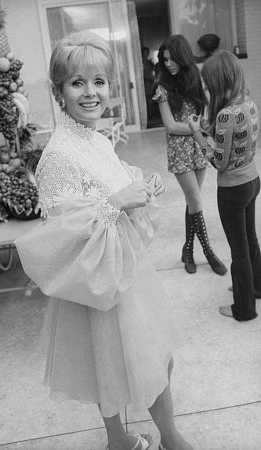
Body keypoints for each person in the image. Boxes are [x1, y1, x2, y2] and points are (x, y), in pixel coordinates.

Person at [15, 31, 194, 450]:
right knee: (119, 367)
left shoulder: (94, 138)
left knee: (139, 362)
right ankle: (157, 438)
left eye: (98, 81)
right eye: (78, 82)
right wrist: (117, 202)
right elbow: (65, 237)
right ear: (59, 92)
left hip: (123, 271)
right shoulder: (57, 154)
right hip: (98, 283)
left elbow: (107, 184)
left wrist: (138, 184)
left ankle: (138, 438)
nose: (91, 92)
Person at [188, 50, 261, 321]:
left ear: (219, 81)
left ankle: (243, 308)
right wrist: (207, 128)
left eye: (208, 84)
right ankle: (256, 287)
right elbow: (234, 141)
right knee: (251, 240)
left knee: (238, 250)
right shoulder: (248, 103)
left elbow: (219, 161)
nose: (206, 89)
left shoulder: (225, 115)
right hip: (252, 181)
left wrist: (197, 133)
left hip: (232, 189)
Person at [153, 34, 227, 276]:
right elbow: (171, 126)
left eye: (171, 59)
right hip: (180, 151)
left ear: (183, 57)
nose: (168, 64)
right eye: (164, 59)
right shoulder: (162, 88)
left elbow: (204, 116)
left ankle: (187, 250)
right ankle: (208, 251)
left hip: (198, 148)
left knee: (191, 202)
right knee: (196, 201)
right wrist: (199, 128)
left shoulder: (195, 81)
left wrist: (203, 128)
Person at [142, 46, 155, 121]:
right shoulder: (141, 61)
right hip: (146, 83)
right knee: (146, 100)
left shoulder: (148, 61)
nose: (146, 54)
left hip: (150, 83)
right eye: (145, 52)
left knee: (150, 99)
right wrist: (147, 79)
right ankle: (148, 116)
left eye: (147, 52)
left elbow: (152, 69)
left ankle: (151, 114)